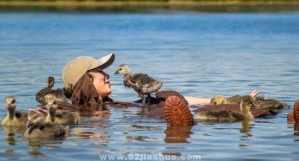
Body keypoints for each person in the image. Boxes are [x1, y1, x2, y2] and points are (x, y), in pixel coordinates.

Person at [61, 53, 258, 125]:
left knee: (166, 98)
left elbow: (181, 101)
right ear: (85, 82)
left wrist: (229, 99)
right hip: (156, 120)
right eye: (100, 72)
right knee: (162, 110)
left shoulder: (114, 106)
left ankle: (241, 106)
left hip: (152, 113)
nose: (108, 76)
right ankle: (183, 125)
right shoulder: (77, 113)